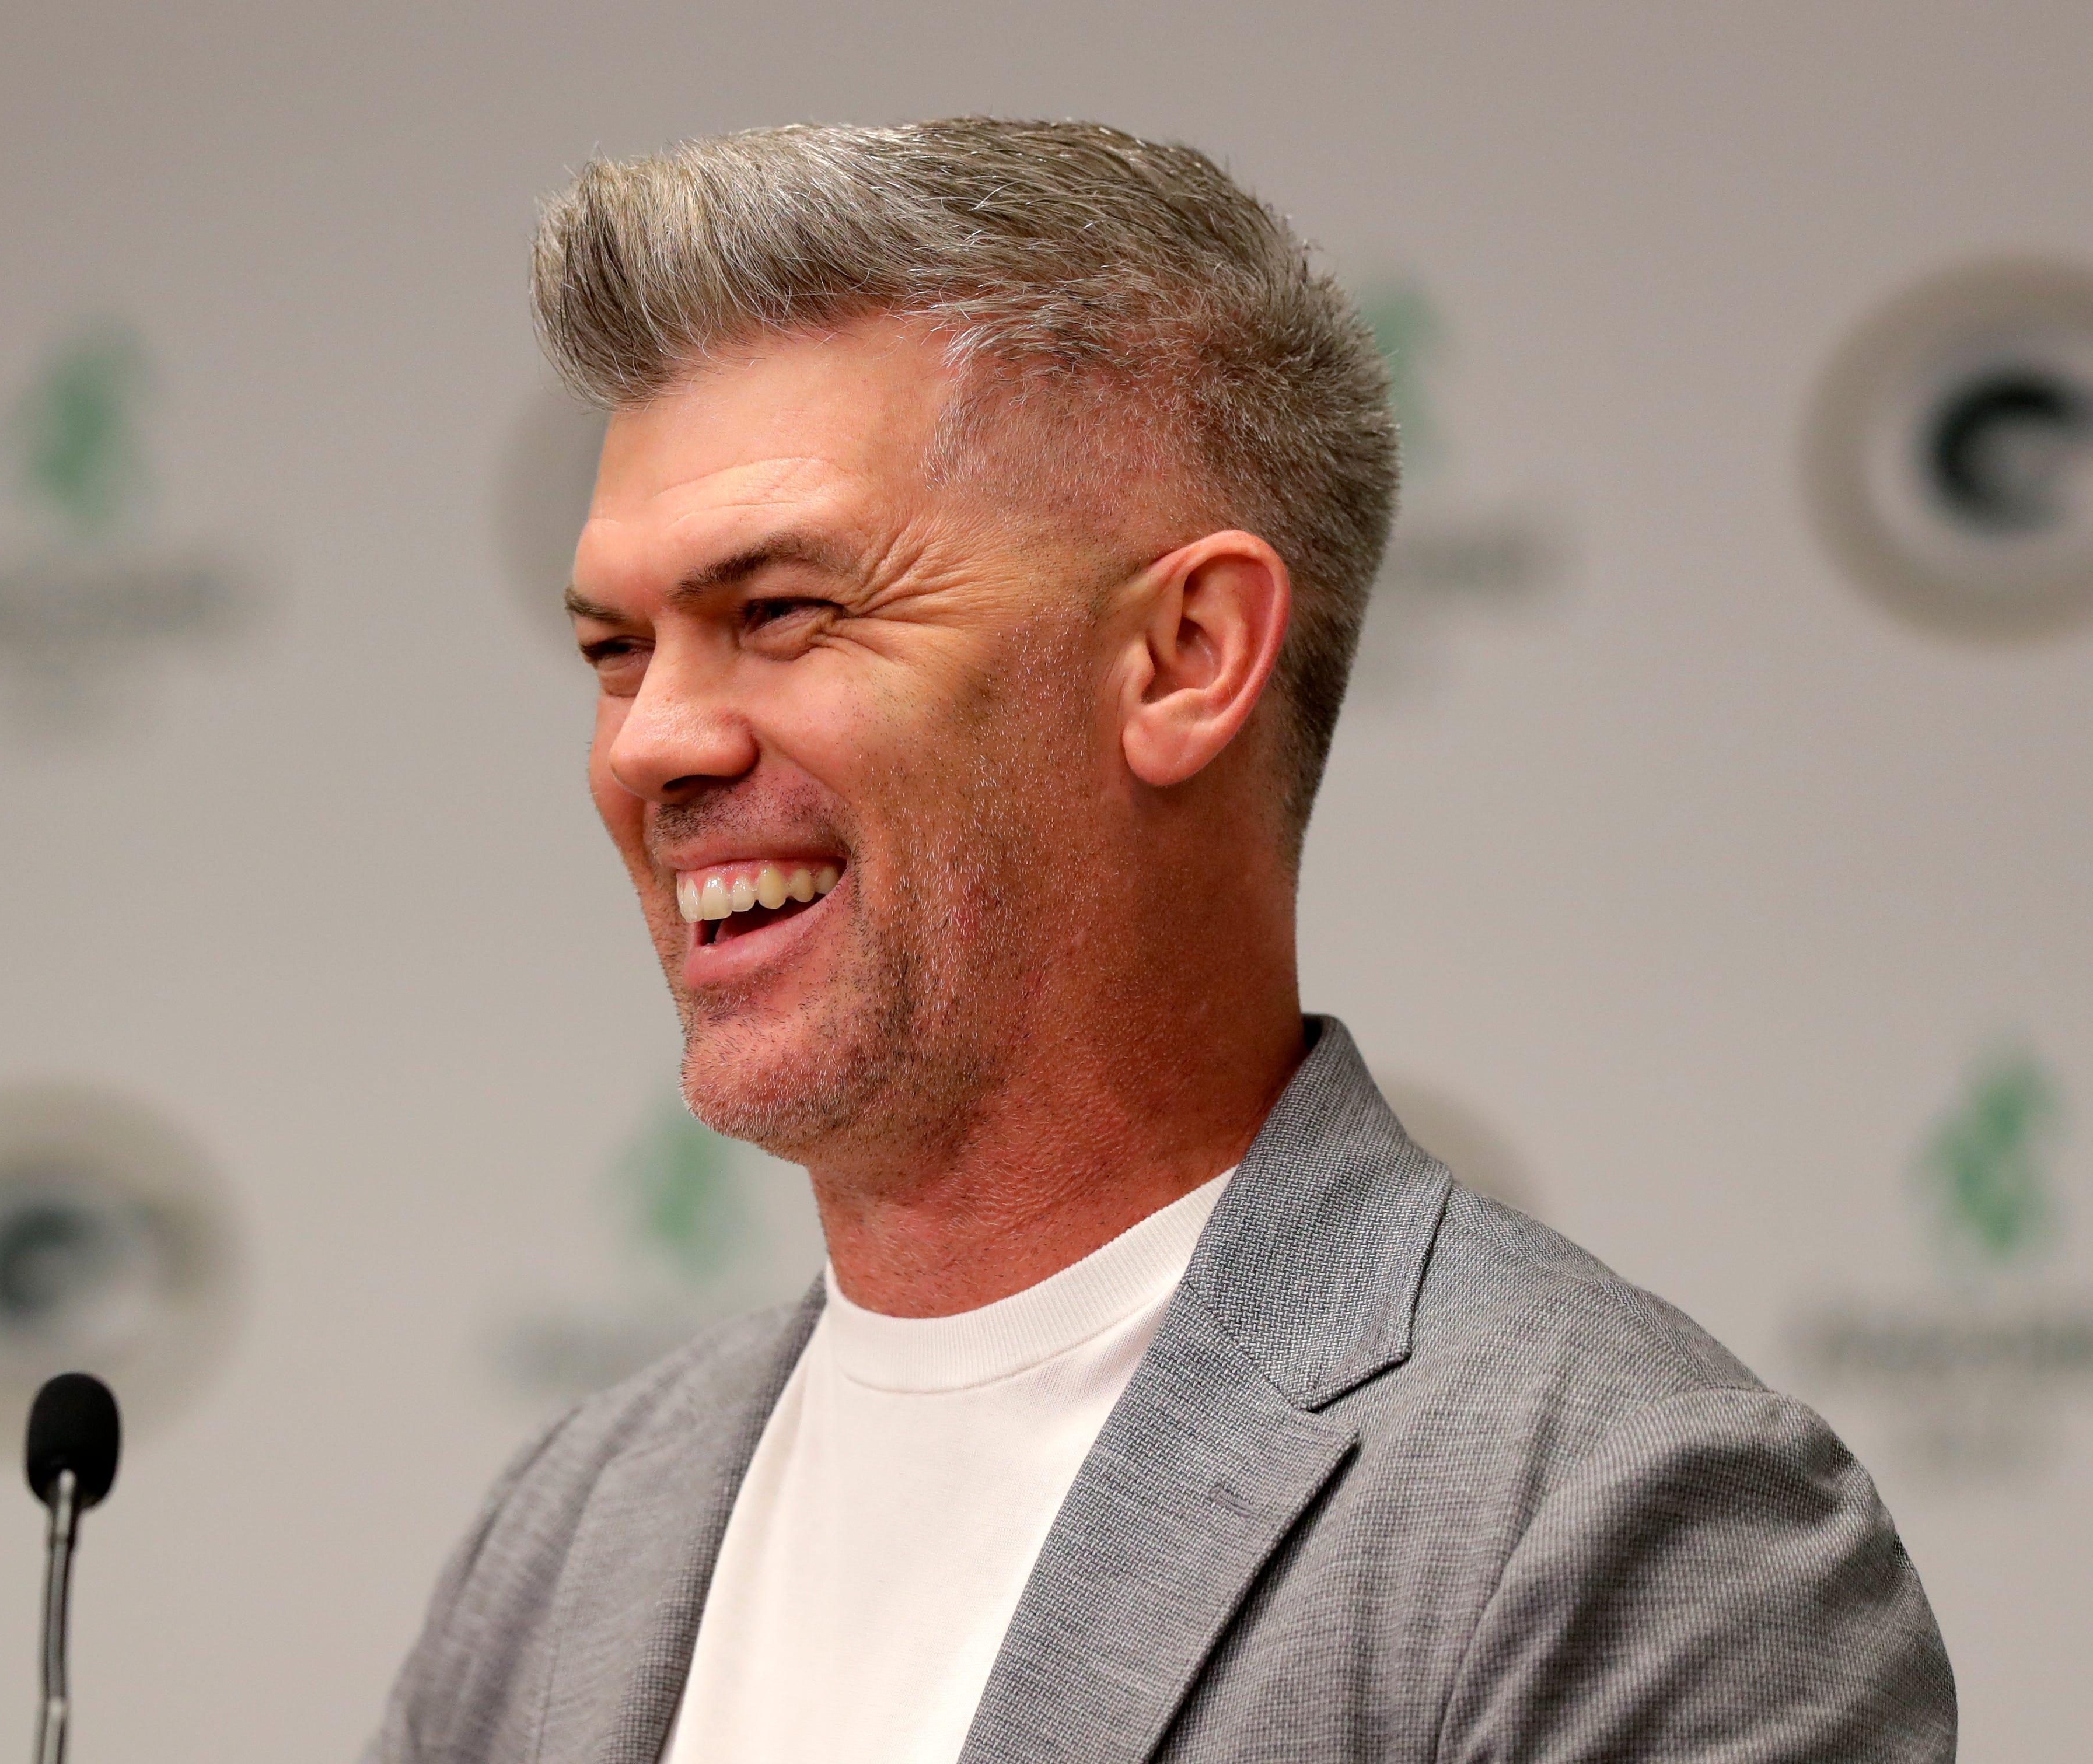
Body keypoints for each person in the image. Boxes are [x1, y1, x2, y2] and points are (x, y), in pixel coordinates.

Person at [369, 118, 1955, 1763]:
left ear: (1186, 656)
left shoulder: (1619, 1531)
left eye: (779, 614)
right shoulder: (569, 1536)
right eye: (616, 652)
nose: (646, 747)